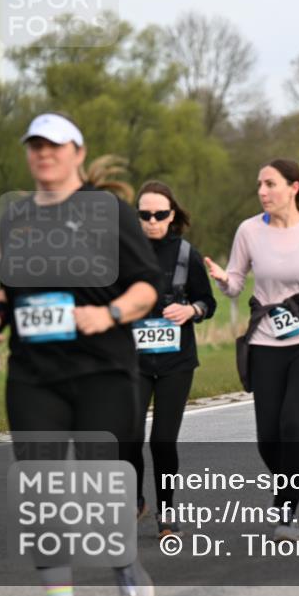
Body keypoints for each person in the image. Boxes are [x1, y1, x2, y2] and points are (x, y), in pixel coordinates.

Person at [0, 113, 160, 596]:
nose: (43, 154)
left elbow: (147, 287)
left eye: (54, 146)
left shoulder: (109, 211)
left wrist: (109, 313)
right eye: (35, 146)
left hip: (102, 370)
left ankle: (123, 561)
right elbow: (10, 286)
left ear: (78, 153)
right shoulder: (17, 217)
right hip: (34, 375)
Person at [204, 159, 299, 541]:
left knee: (292, 423)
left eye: (270, 184)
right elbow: (235, 285)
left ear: (294, 187)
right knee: (267, 438)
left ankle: (286, 512)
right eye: (259, 184)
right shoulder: (249, 231)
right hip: (266, 339)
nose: (262, 191)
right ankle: (291, 481)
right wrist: (223, 279)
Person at [130, 181, 217, 538]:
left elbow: (208, 302)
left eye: (160, 214)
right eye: (145, 215)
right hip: (132, 361)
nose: (152, 221)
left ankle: (166, 513)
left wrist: (190, 310)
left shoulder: (186, 254)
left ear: (172, 215)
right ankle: (135, 501)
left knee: (162, 441)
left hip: (175, 363)